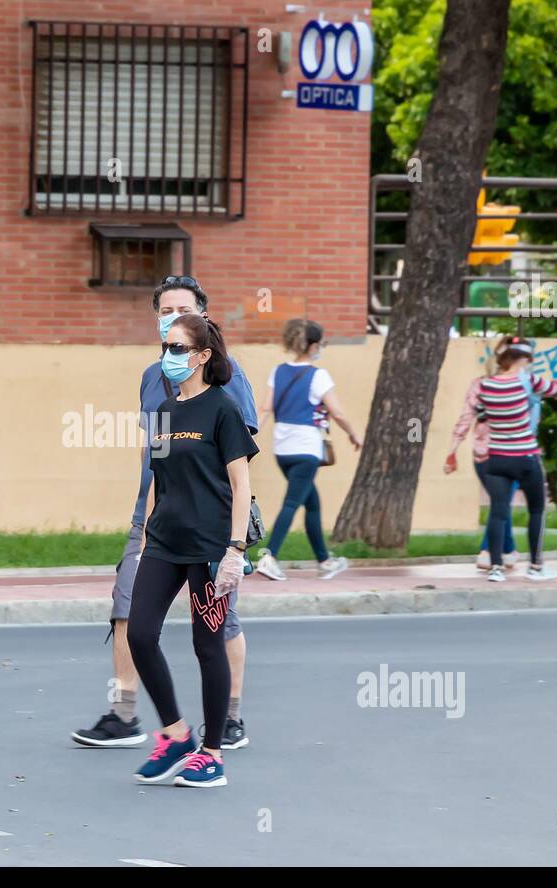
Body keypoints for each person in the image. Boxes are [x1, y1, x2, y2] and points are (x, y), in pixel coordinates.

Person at [72, 276, 258, 750]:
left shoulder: (228, 381)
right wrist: (147, 514)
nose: (172, 320)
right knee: (129, 613)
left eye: (183, 312)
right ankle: (128, 714)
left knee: (216, 628)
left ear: (202, 322)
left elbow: (237, 463)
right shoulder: (153, 379)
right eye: (166, 312)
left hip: (210, 526)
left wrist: (234, 543)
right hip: (157, 520)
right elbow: (152, 450)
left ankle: (226, 722)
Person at [126, 312, 259, 787]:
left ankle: (212, 753)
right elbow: (159, 483)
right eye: (166, 347)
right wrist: (144, 543)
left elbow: (241, 485)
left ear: (202, 356)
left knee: (208, 645)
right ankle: (176, 734)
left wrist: (234, 549)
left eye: (179, 349)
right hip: (165, 542)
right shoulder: (162, 412)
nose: (169, 356)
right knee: (139, 634)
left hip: (209, 547)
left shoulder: (223, 408)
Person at [254, 318, 362, 581]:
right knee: (292, 503)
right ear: (313, 346)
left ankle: (324, 561)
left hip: (283, 449)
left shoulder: (278, 371)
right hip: (306, 449)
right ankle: (270, 556)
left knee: (312, 503)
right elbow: (336, 412)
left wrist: (250, 435)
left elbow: (265, 409)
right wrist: (353, 433)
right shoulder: (318, 375)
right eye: (321, 343)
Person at [445, 335, 542, 571]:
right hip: (514, 453)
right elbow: (533, 419)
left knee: (500, 504)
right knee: (503, 505)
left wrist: (452, 451)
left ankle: (506, 550)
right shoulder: (526, 384)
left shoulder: (481, 385)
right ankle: (490, 551)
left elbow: (465, 418)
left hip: (484, 454)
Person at [473, 336, 557, 582]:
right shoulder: (528, 380)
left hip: (497, 459)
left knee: (498, 513)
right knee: (536, 510)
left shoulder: (486, 386)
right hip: (525, 456)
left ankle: (495, 569)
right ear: (523, 359)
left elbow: (481, 415)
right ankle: (535, 566)